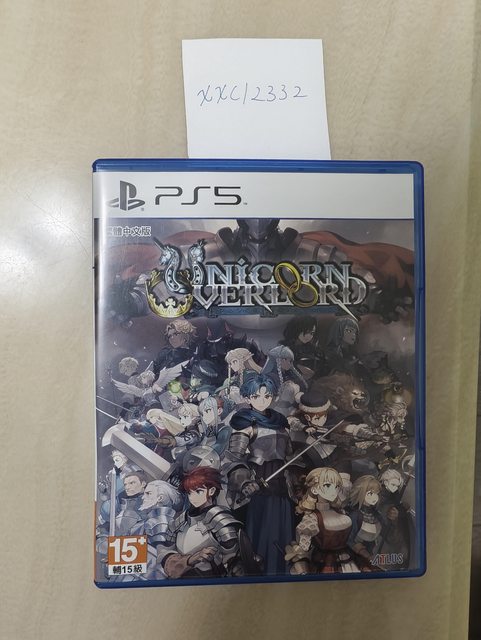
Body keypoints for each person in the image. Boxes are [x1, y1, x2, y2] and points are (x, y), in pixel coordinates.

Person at [226, 373, 294, 574]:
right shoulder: (244, 425)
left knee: (282, 532)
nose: (262, 400)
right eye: (256, 396)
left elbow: (289, 455)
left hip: (281, 485)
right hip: (258, 485)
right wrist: (245, 483)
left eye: (267, 396)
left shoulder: (281, 423)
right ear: (248, 398)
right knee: (261, 533)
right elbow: (233, 460)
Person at [158, 467, 241, 578]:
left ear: (211, 491)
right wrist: (188, 560)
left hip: (210, 578)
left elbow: (232, 555)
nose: (192, 497)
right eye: (189, 493)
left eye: (198, 491)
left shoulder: (220, 519)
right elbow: (165, 550)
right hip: (182, 579)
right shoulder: (181, 520)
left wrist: (235, 566)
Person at [285, 467, 361, 575]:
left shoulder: (340, 511)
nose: (334, 490)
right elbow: (304, 549)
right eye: (328, 485)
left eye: (336, 486)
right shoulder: (311, 518)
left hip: (348, 562)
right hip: (324, 564)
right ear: (315, 490)